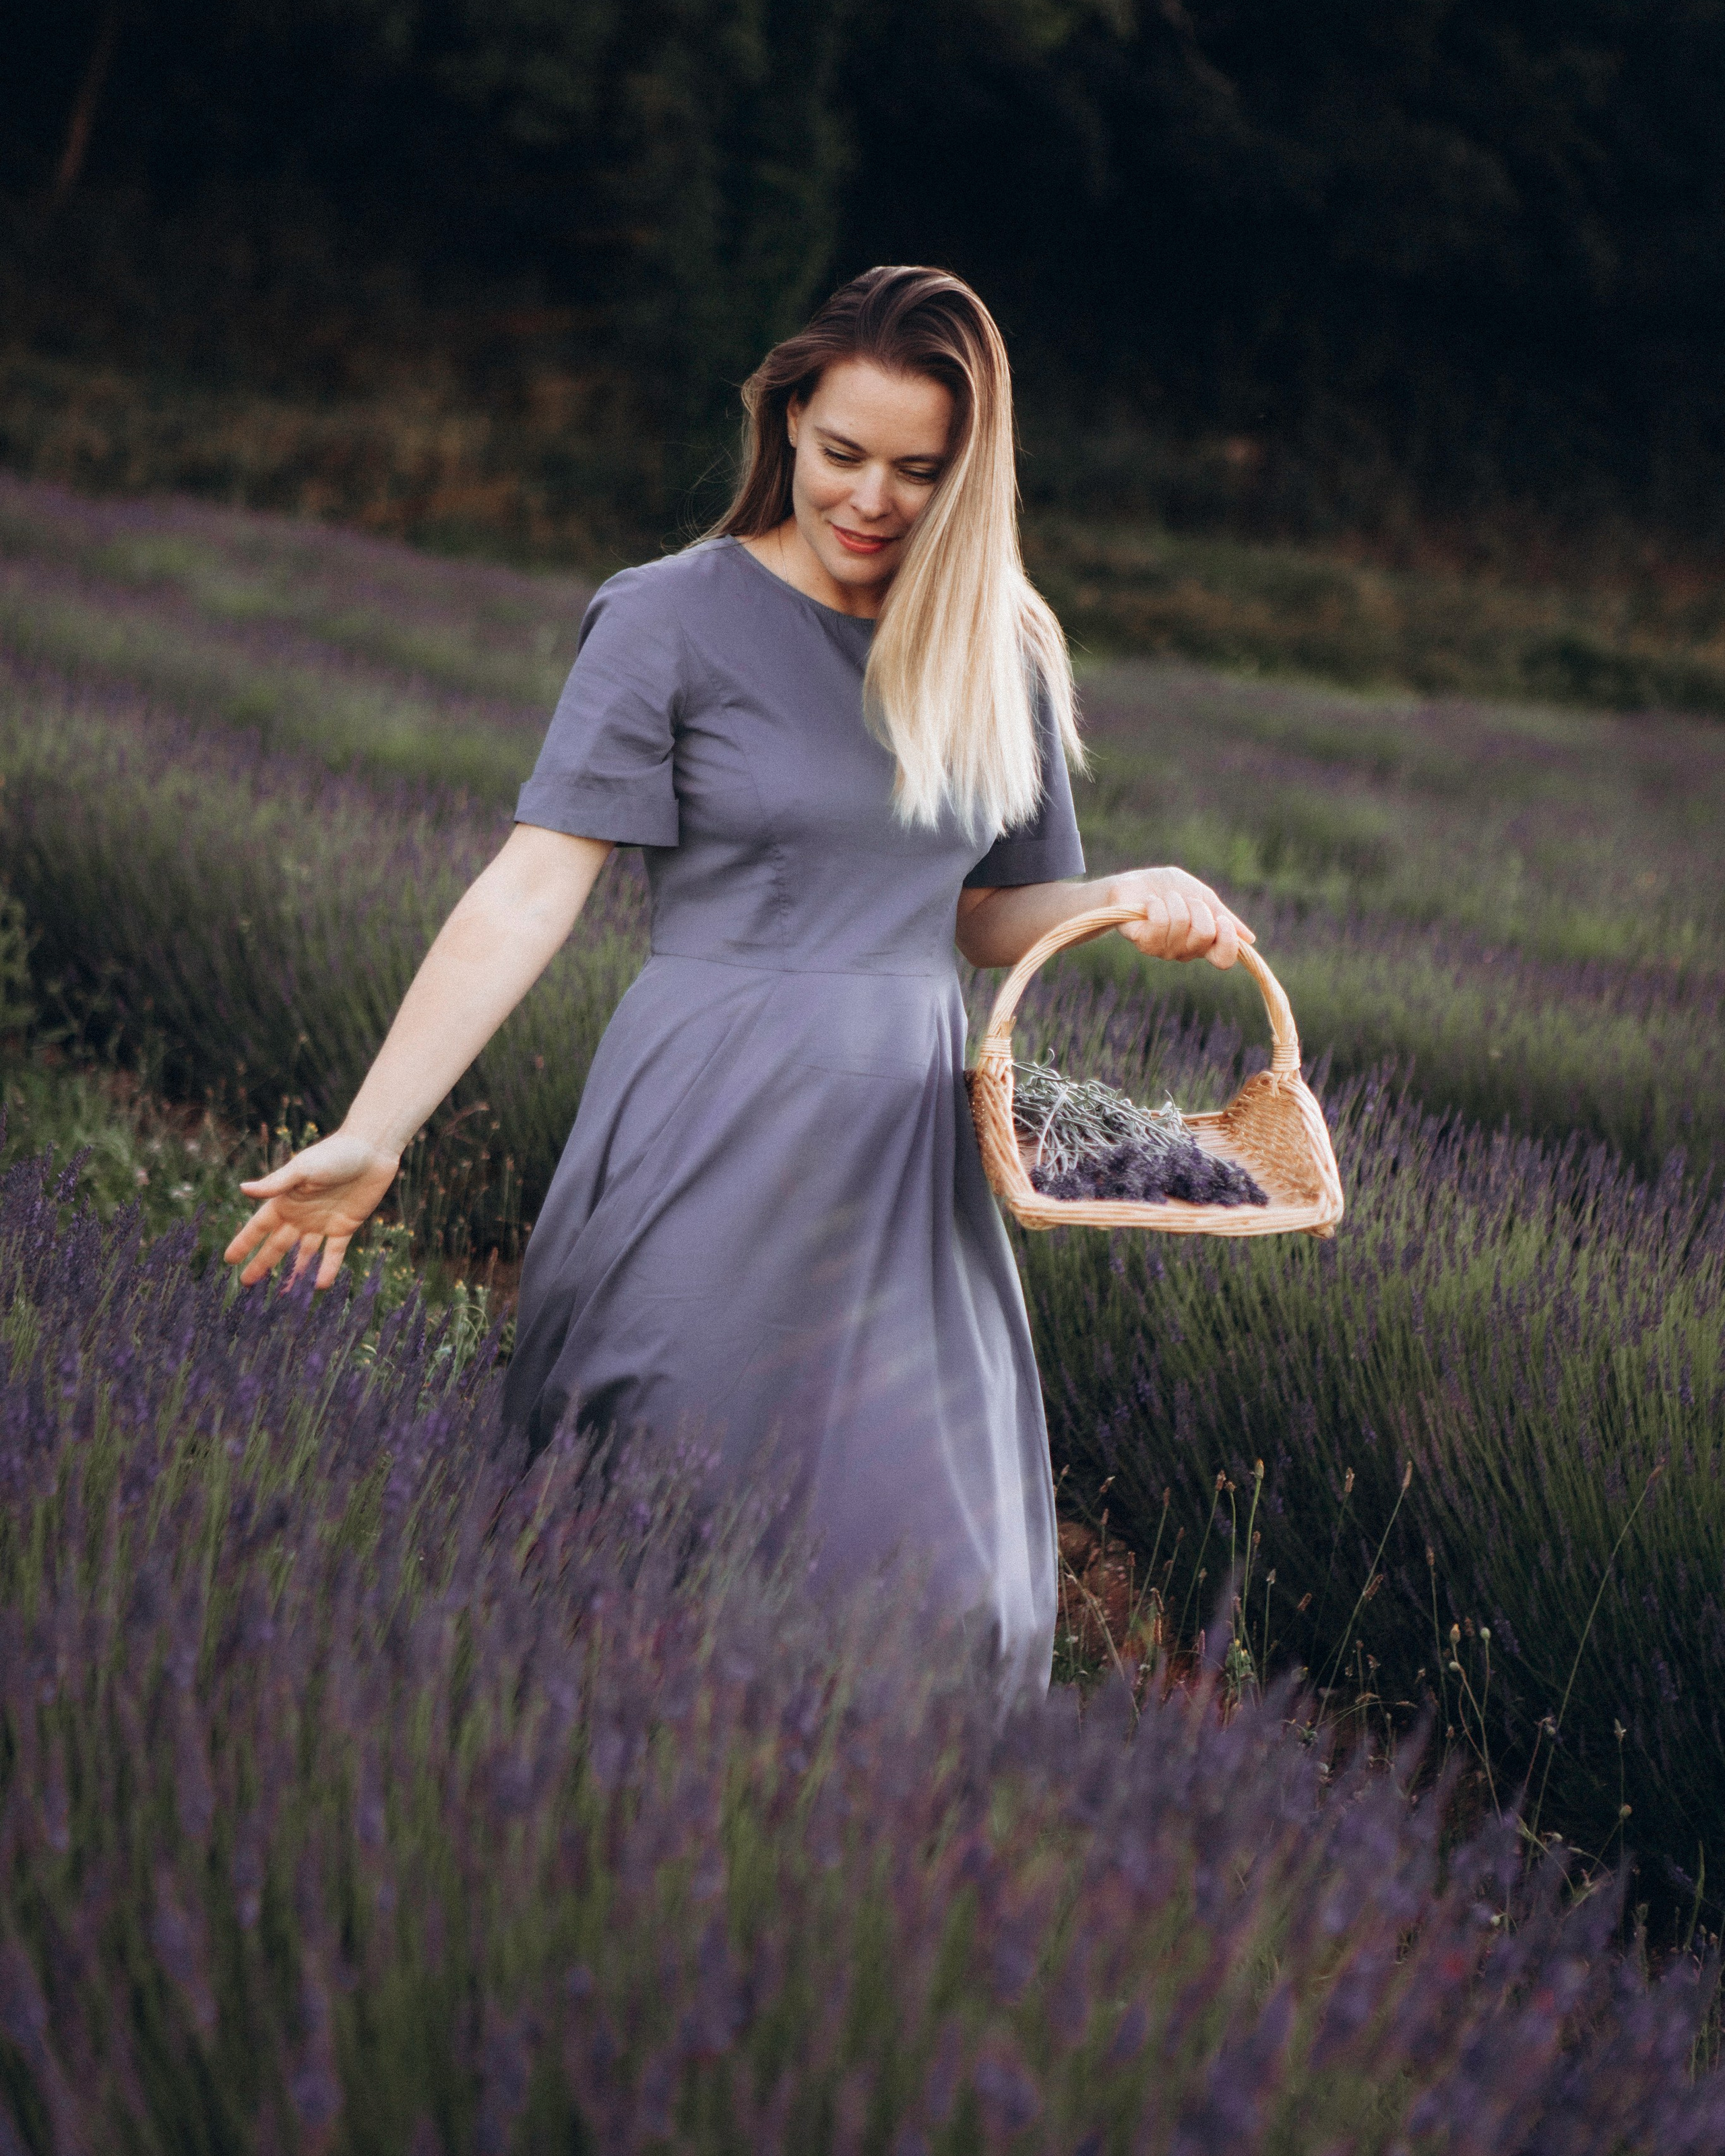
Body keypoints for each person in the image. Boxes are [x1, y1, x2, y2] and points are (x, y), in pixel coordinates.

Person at [224, 265, 1252, 1687]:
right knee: (651, 1536)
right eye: (841, 455)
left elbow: (986, 910)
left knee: (941, 1595)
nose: (871, 501)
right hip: (708, 1117)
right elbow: (529, 888)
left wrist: (1128, 896)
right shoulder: (665, 616)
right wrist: (375, 1127)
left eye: (916, 471)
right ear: (785, 421)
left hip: (904, 1149)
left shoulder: (996, 643)